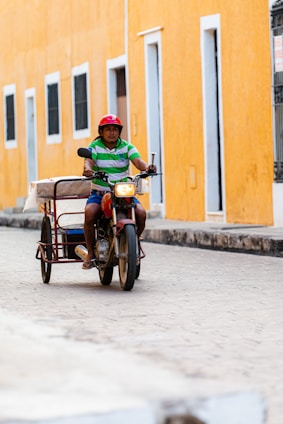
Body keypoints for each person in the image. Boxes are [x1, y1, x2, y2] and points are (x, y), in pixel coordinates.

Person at [82, 114, 156, 269]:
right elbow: (88, 161)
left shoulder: (126, 146)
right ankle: (90, 253)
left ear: (119, 131)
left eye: (115, 129)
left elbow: (138, 161)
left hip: (123, 192)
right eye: (108, 129)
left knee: (141, 214)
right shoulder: (95, 146)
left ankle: (134, 243)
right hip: (100, 193)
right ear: (101, 131)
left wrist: (147, 168)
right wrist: (88, 169)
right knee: (89, 213)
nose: (112, 132)